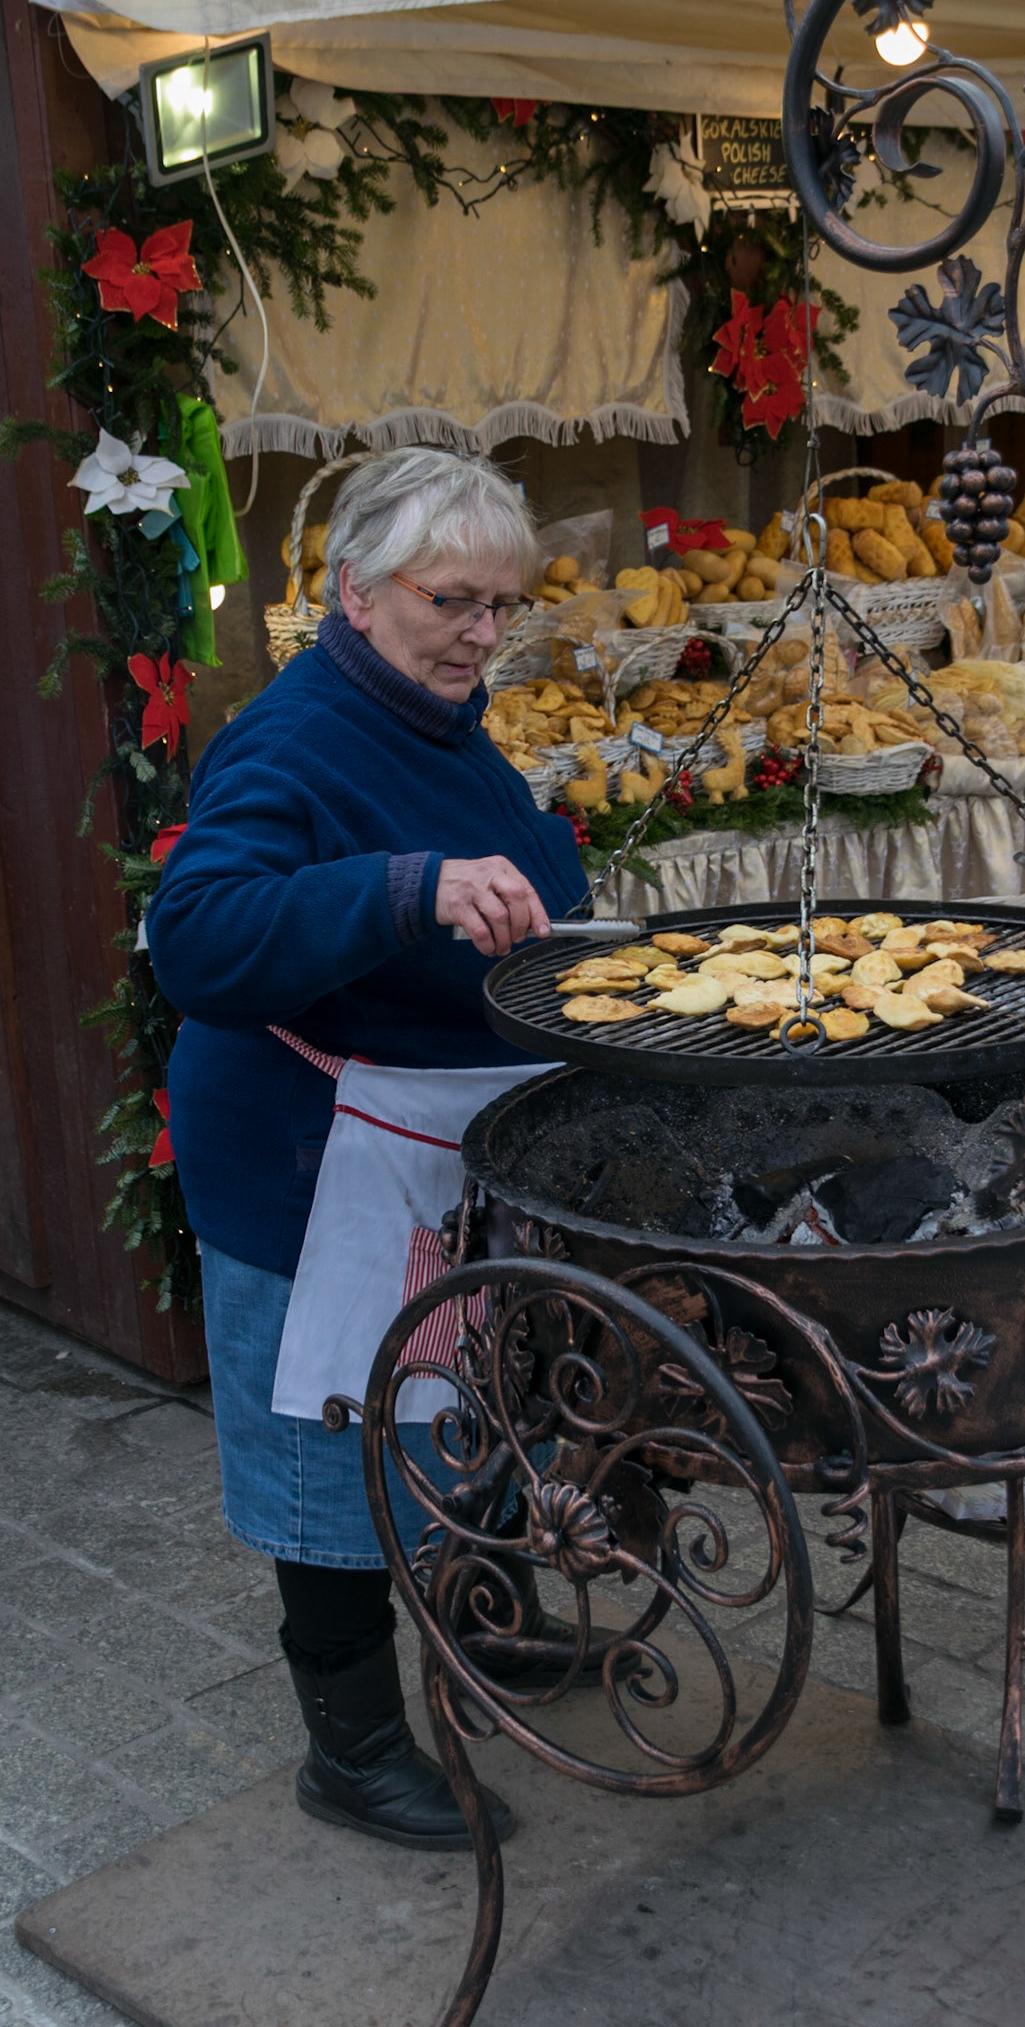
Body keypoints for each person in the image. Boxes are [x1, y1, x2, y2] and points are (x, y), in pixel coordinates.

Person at [148, 447, 589, 1853]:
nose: (481, 632)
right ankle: (349, 1750)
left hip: (434, 1149)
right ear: (353, 591)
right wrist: (404, 891)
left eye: (501, 606)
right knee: (326, 1455)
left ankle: (490, 1634)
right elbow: (201, 938)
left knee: (471, 1404)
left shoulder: (441, 718)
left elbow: (500, 865)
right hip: (307, 1168)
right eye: (453, 599)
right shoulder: (288, 738)